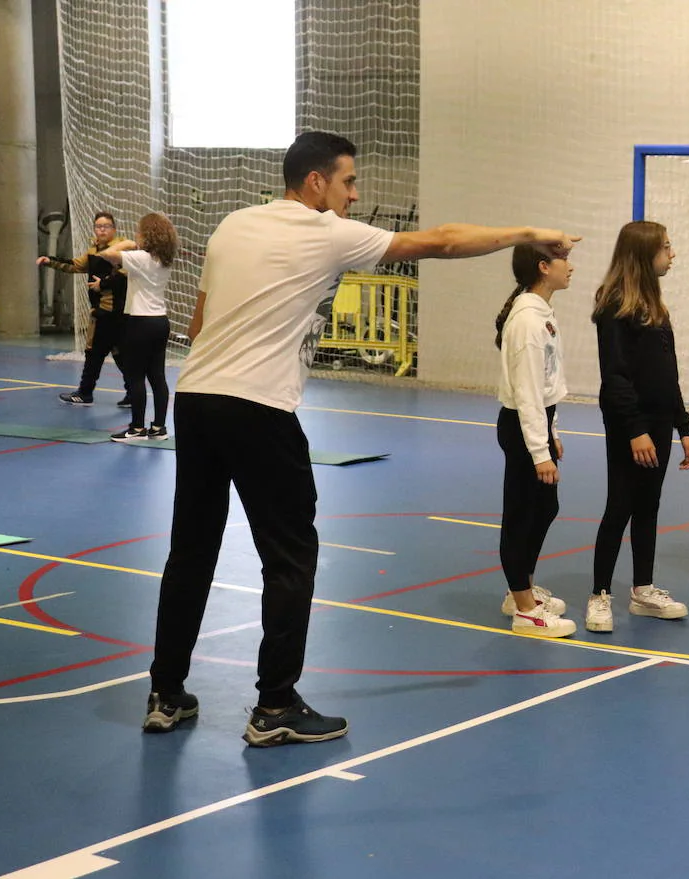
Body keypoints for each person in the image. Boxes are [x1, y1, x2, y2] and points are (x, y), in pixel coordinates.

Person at [142, 131, 579, 746]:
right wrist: (526, 234)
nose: (355, 194)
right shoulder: (323, 230)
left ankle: (165, 692)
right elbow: (443, 242)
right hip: (260, 408)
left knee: (191, 549)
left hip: (198, 397)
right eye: (348, 182)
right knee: (291, 556)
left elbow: (202, 320)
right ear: (315, 182)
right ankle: (274, 706)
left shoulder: (232, 225)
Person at [585, 221, 689, 634]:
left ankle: (643, 589)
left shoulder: (657, 305)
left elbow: (668, 374)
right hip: (628, 423)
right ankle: (599, 594)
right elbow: (615, 377)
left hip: (660, 422)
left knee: (649, 505)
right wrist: (634, 430)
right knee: (621, 506)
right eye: (666, 248)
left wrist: (682, 425)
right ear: (643, 255)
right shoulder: (615, 305)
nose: (673, 254)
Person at [494, 244, 576, 638]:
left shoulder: (542, 314)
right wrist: (539, 451)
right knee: (522, 514)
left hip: (538, 423)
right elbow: (526, 393)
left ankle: (520, 588)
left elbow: (546, 385)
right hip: (522, 426)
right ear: (544, 267)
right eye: (564, 260)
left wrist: (553, 432)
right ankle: (524, 609)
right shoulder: (527, 321)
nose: (571, 267)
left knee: (546, 506)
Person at [93, 213, 178, 442]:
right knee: (157, 377)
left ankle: (137, 428)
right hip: (160, 321)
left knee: (136, 376)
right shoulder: (163, 259)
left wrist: (130, 243)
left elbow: (106, 254)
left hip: (140, 322)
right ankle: (159, 427)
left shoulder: (140, 257)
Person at [37, 211, 131, 407]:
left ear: (114, 230)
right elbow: (74, 265)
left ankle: (85, 393)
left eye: (106, 226)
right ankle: (132, 393)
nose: (102, 229)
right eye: (98, 226)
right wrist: (50, 261)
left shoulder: (121, 251)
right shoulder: (93, 252)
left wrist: (102, 285)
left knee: (94, 353)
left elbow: (123, 276)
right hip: (110, 315)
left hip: (110, 314)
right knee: (119, 354)